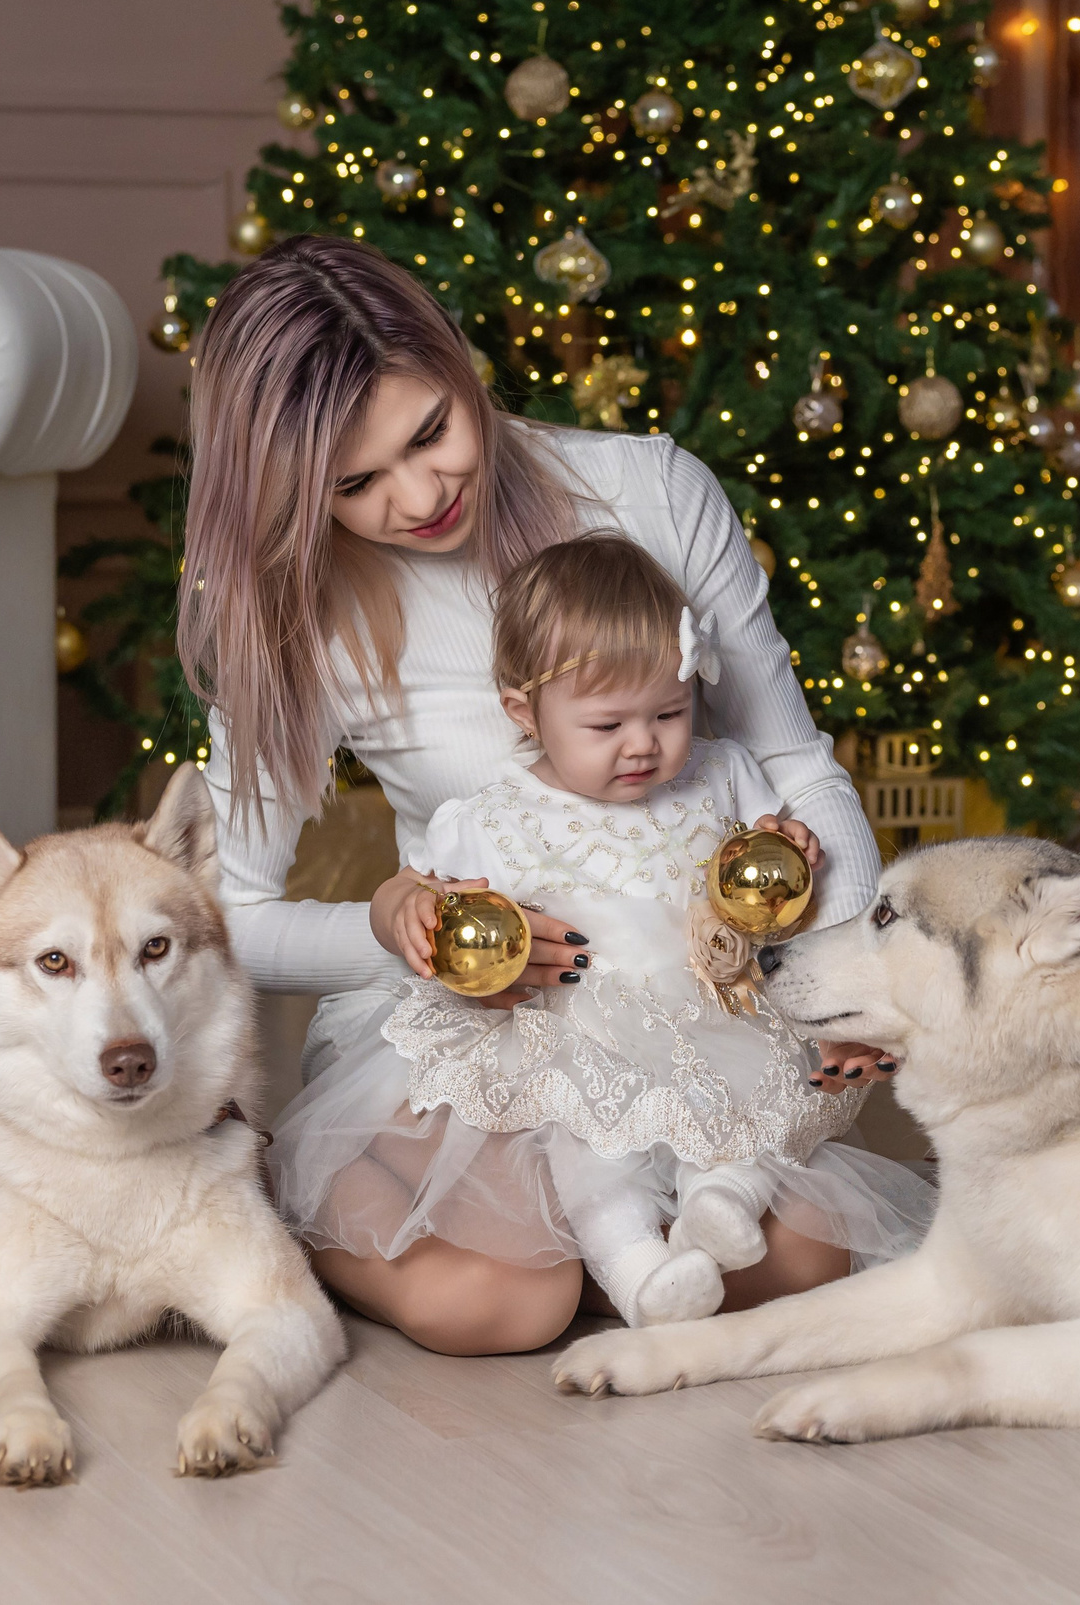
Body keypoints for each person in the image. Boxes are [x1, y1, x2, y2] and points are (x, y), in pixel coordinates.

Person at [180, 235, 908, 1355]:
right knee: (503, 1305)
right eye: (355, 482)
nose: (419, 494)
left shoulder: (644, 488)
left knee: (801, 1264)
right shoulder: (298, 611)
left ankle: (620, 1241)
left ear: (456, 363)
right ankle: (280, 1187)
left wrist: (858, 977)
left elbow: (797, 765)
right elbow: (227, 913)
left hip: (685, 1011)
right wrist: (403, 931)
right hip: (477, 1030)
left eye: (431, 432)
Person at [274, 531, 931, 1331]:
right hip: (563, 1043)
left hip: (711, 1037)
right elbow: (419, 891)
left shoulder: (720, 772)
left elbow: (774, 855)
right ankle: (634, 1269)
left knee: (764, 1132)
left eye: (668, 711)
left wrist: (787, 850)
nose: (643, 744)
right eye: (605, 724)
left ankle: (717, 1206)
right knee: (587, 1142)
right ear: (524, 711)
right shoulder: (491, 816)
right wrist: (397, 911)